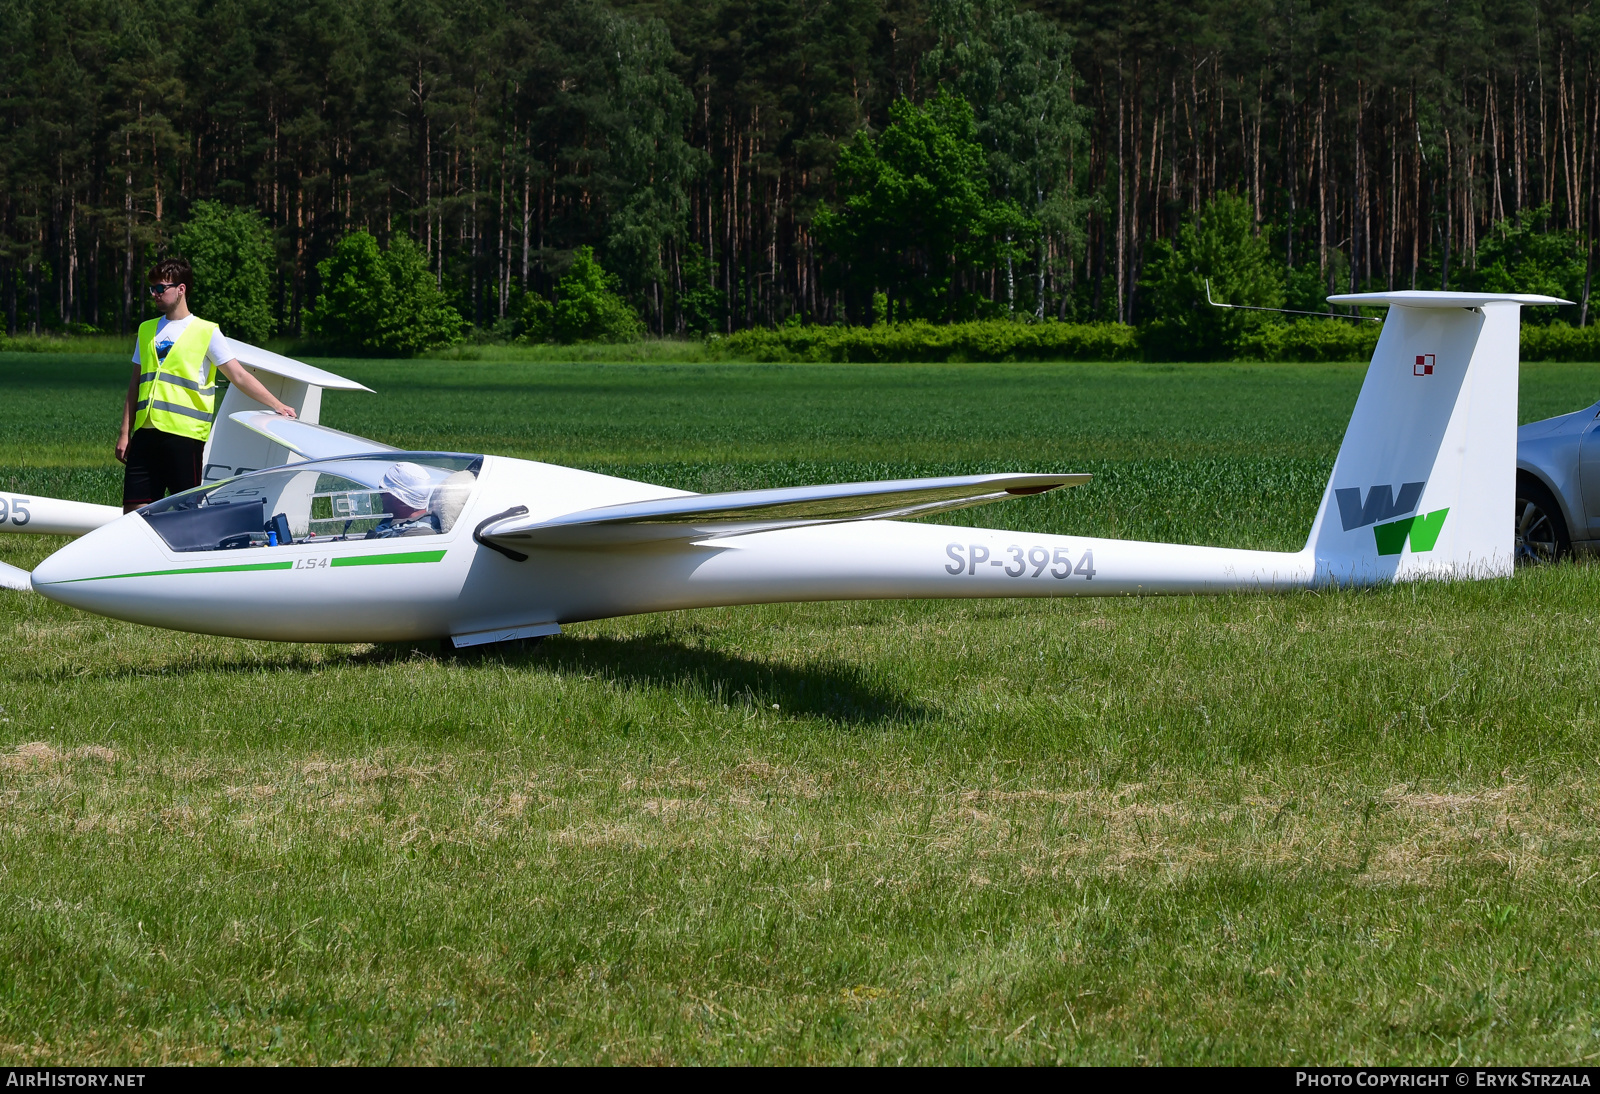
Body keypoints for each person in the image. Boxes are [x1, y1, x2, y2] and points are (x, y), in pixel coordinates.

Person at [116, 258, 297, 513]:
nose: (155, 294)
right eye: (152, 289)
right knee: (134, 513)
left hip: (184, 436)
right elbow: (135, 383)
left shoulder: (207, 331)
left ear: (181, 289)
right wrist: (125, 433)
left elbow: (239, 376)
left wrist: (277, 404)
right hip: (145, 433)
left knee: (186, 512)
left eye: (161, 288)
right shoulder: (146, 330)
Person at [365, 462, 442, 538]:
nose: (380, 495)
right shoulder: (392, 523)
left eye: (382, 490)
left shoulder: (418, 535)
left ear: (398, 498)